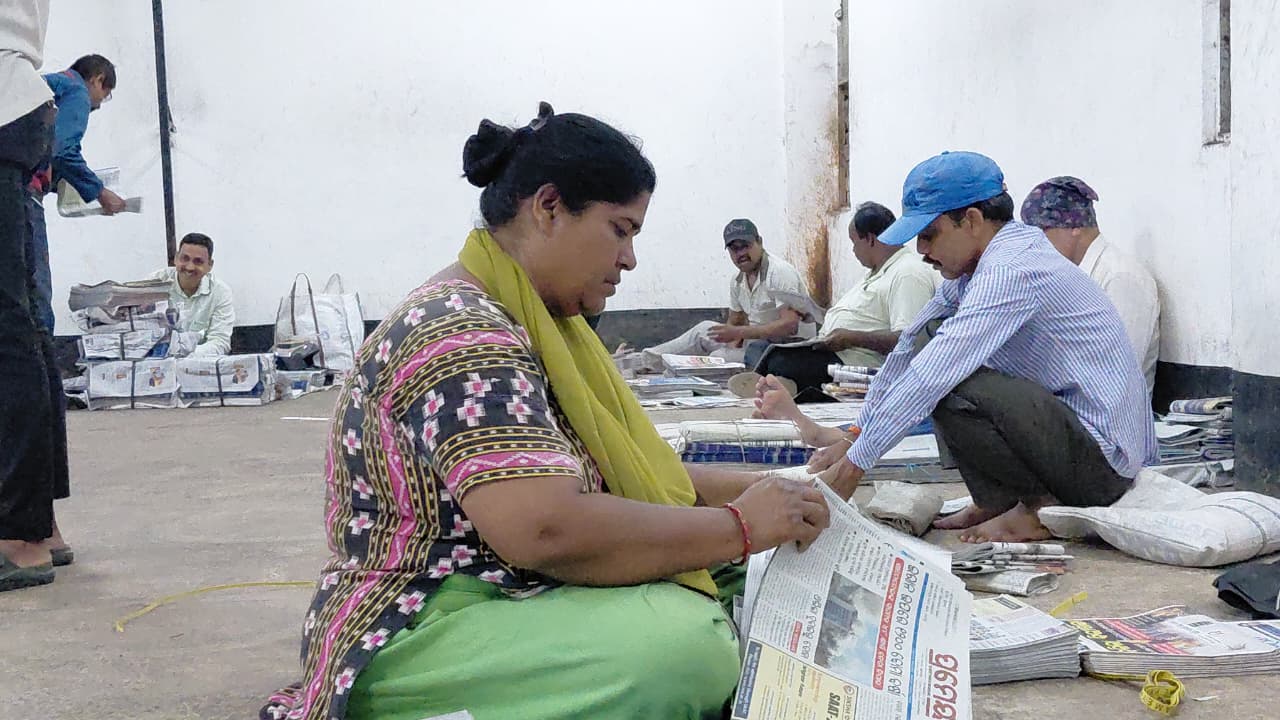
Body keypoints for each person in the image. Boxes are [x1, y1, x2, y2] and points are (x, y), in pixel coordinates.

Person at [261, 102, 830, 720]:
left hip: (512, 592)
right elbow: (543, 529)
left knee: (754, 576)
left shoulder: (540, 326)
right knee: (684, 649)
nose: (630, 259)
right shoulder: (461, 331)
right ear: (549, 207)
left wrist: (782, 491)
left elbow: (631, 477)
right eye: (621, 229)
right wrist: (739, 527)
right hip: (425, 619)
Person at [782, 151, 1157, 544]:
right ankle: (999, 500)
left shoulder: (1012, 270)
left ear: (973, 221)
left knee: (949, 375)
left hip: (1103, 468)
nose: (923, 250)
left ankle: (1036, 508)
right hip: (1072, 443)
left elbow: (933, 371)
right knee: (931, 342)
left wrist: (852, 469)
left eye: (929, 234)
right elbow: (910, 345)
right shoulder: (976, 269)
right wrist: (856, 434)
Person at [0, 0, 69, 593]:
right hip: (16, 103)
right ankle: (38, 524)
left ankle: (20, 536)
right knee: (22, 320)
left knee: (6, 326)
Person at [751, 201, 938, 393]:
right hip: (837, 351)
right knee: (761, 350)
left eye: (854, 242)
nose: (853, 251)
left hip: (857, 362)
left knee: (781, 363)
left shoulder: (907, 273)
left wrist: (852, 338)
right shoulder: (874, 273)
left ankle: (776, 386)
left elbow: (909, 340)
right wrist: (813, 313)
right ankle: (775, 385)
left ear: (870, 239)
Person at [1020, 176, 1160, 399]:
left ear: (1074, 226)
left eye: (1042, 232)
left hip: (1108, 421)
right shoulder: (1067, 275)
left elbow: (1117, 371)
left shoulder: (1121, 277)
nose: (1036, 244)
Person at [26, 53, 125, 335]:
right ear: (98, 80)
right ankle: (41, 371)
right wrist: (99, 192)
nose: (97, 106)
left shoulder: (44, 87)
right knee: (35, 287)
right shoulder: (76, 90)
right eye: (103, 96)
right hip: (23, 194)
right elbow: (64, 149)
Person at [639, 218, 816, 367]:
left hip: (782, 351)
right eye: (734, 249)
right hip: (753, 344)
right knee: (704, 330)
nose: (741, 254)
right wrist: (731, 342)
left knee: (716, 359)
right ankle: (642, 361)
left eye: (745, 246)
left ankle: (683, 368)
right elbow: (735, 322)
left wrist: (737, 336)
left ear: (759, 242)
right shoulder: (738, 281)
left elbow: (789, 326)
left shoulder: (779, 272)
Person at [151, 232, 235, 356]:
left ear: (210, 265)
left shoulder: (221, 292)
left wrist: (184, 355)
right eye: (185, 259)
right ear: (175, 259)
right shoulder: (154, 284)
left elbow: (220, 342)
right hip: (158, 363)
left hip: (200, 365)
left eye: (198, 261)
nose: (190, 267)